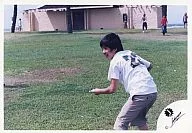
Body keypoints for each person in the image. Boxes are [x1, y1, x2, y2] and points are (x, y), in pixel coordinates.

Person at [89, 33, 157, 130]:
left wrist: (98, 91)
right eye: (102, 49)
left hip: (140, 93)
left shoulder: (115, 61)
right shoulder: (129, 53)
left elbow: (112, 89)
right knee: (139, 120)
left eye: (106, 48)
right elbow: (149, 66)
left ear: (115, 49)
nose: (103, 52)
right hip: (153, 91)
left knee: (120, 124)